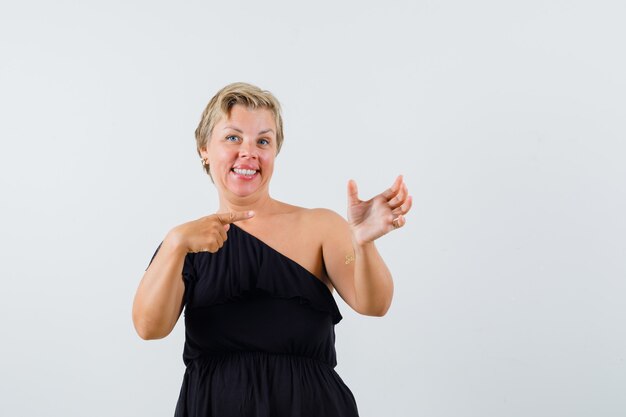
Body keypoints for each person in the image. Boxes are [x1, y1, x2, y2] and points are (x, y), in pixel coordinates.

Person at [132, 82, 412, 417]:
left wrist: (362, 244)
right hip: (213, 406)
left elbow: (375, 304)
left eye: (263, 140)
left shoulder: (322, 226)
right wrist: (176, 243)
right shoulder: (186, 241)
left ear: (275, 152)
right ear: (204, 148)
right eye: (233, 137)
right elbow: (149, 328)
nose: (248, 152)